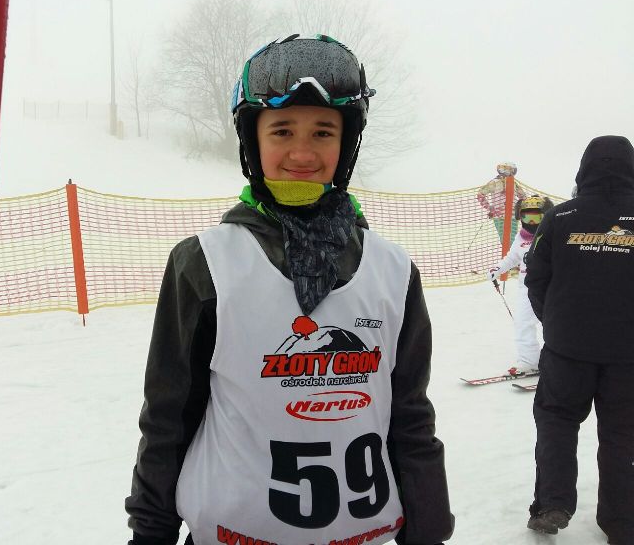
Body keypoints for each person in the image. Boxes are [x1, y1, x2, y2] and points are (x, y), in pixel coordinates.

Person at [125, 35, 454, 545]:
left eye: (323, 132)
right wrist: (151, 534)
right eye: (282, 131)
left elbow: (409, 414)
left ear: (346, 143)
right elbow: (168, 418)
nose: (303, 153)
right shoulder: (205, 263)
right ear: (252, 141)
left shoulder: (392, 270)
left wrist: (429, 530)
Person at [524, 135, 634, 543]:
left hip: (567, 350)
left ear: (585, 168)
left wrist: (555, 321)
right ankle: (623, 522)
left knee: (557, 421)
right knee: (623, 435)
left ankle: (552, 503)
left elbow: (536, 278)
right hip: (628, 355)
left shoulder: (560, 216)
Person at [487, 195, 553, 376]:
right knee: (523, 323)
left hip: (549, 287)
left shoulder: (552, 234)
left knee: (553, 325)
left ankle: (558, 361)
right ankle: (529, 361)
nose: (531, 222)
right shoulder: (520, 237)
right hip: (527, 288)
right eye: (526, 217)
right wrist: (497, 269)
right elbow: (512, 258)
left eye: (536, 217)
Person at [476, 162, 528, 242]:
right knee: (504, 238)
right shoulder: (494, 182)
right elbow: (480, 194)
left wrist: (519, 208)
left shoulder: (514, 183)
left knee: (512, 237)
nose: (506, 172)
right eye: (503, 169)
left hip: (512, 215)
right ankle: (507, 250)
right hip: (499, 216)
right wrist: (489, 207)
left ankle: (511, 250)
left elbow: (523, 197)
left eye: (509, 170)